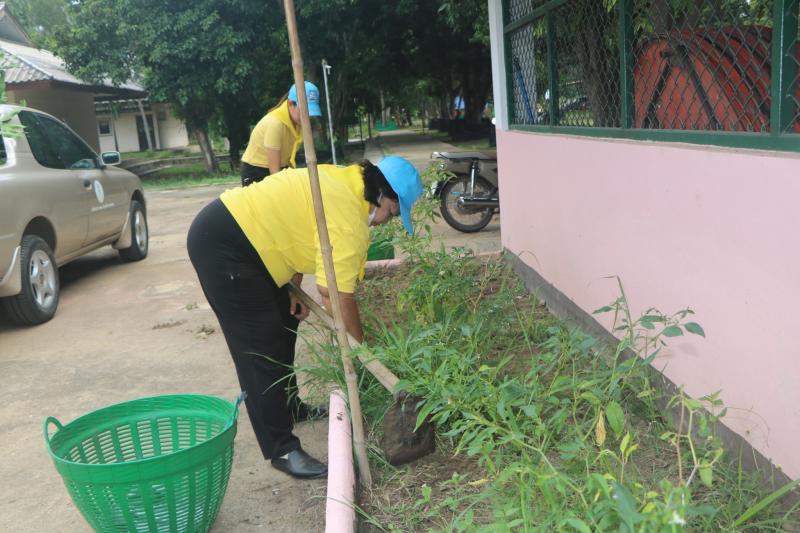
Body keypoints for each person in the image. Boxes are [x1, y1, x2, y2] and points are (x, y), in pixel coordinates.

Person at [187, 156, 424, 479]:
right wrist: (361, 354)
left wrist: (293, 286)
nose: (388, 221)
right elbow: (337, 296)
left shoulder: (347, 181)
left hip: (250, 240)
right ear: (383, 195)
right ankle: (281, 448)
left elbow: (299, 224)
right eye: (394, 213)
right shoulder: (349, 215)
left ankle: (291, 405)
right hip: (226, 244)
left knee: (285, 322)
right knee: (260, 346)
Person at [239, 80, 322, 187]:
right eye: (305, 112)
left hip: (282, 167)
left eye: (311, 112)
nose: (307, 116)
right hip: (256, 170)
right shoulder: (275, 124)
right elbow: (275, 174)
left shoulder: (299, 122)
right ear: (291, 104)